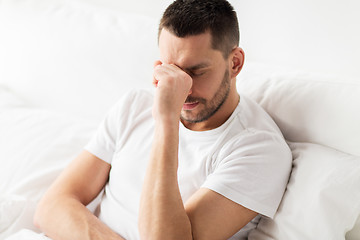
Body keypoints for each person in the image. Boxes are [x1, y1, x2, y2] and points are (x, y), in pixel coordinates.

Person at [34, 0, 292, 239]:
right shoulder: (135, 105)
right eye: (172, 69)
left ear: (235, 63)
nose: (182, 87)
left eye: (196, 71)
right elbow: (51, 207)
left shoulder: (259, 149)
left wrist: (167, 121)